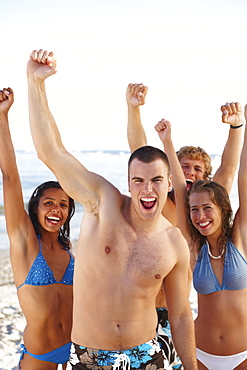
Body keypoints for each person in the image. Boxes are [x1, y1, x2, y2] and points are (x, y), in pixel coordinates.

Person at [27, 49, 198, 370]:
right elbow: (51, 151)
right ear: (129, 182)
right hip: (91, 356)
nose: (147, 189)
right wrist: (35, 84)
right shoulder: (101, 202)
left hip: (147, 354)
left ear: (169, 183)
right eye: (139, 181)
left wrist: (190, 366)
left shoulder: (174, 242)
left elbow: (179, 313)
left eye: (156, 180)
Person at [126, 83, 243, 369]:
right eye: (183, 167)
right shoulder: (166, 209)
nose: (189, 173)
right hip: (152, 314)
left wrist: (238, 127)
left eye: (197, 169)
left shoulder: (223, 226)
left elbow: (233, 169)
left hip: (217, 336)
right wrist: (140, 115)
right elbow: (142, 154)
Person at [155, 117, 247, 369]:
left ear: (222, 208)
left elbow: (241, 174)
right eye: (194, 210)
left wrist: (243, 125)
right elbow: (181, 187)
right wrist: (167, 142)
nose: (200, 216)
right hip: (200, 353)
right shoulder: (194, 248)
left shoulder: (240, 238)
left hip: (243, 354)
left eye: (207, 208)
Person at [0, 87, 75, 370]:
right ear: (35, 208)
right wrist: (2, 117)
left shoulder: (69, 251)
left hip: (75, 352)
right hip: (40, 356)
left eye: (64, 205)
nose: (56, 209)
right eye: (48, 203)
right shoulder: (25, 243)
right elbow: (9, 176)